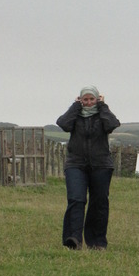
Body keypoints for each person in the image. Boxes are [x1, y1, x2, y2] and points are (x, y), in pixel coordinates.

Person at [56, 86, 120, 250]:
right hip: (76, 164)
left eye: (92, 99)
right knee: (76, 199)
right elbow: (63, 124)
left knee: (99, 203)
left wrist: (103, 106)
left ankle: (97, 242)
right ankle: (73, 239)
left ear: (97, 99)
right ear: (80, 100)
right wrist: (75, 106)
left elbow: (112, 124)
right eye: (85, 99)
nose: (89, 102)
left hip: (101, 164)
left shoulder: (102, 114)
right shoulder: (75, 115)